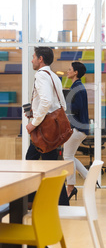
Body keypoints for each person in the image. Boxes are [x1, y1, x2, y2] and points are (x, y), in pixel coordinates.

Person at [26, 46, 69, 206]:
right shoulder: (54, 76)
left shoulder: (41, 75)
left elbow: (46, 101)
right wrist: (36, 113)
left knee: (31, 162)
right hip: (52, 128)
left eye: (33, 57)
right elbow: (62, 104)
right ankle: (61, 203)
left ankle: (30, 201)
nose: (32, 60)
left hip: (43, 130)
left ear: (40, 59)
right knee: (49, 165)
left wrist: (34, 122)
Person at [63, 62, 89, 200]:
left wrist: (63, 104)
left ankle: (70, 187)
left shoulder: (77, 87)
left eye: (69, 69)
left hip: (77, 128)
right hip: (80, 128)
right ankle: (90, 178)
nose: (67, 71)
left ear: (76, 72)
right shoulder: (77, 86)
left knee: (67, 158)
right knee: (70, 156)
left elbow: (76, 107)